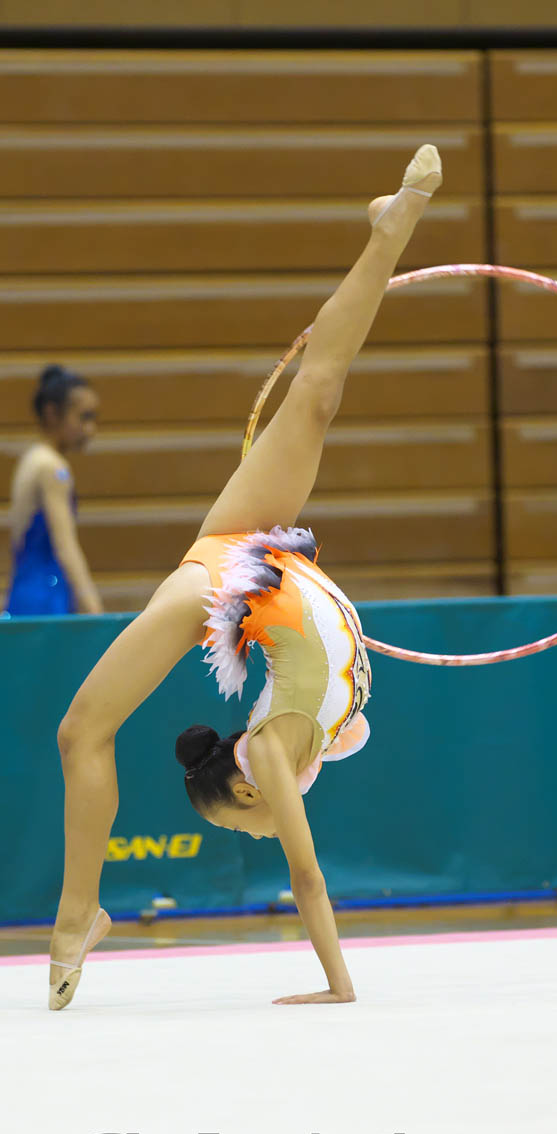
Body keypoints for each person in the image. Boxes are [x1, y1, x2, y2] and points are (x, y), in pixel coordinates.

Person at [48, 145, 443, 1012]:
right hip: (260, 555)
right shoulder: (324, 743)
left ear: (245, 788)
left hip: (219, 576)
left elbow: (303, 873)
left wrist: (336, 987)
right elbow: (321, 780)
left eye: (243, 822)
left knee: (81, 733)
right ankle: (388, 227)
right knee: (318, 395)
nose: (260, 834)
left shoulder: (270, 755)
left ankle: (76, 913)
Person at [5, 365, 103, 616]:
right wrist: (94, 609)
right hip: (46, 598)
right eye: (83, 417)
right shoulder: (52, 468)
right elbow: (66, 546)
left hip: (25, 591)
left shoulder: (32, 458)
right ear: (52, 413)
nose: (90, 429)